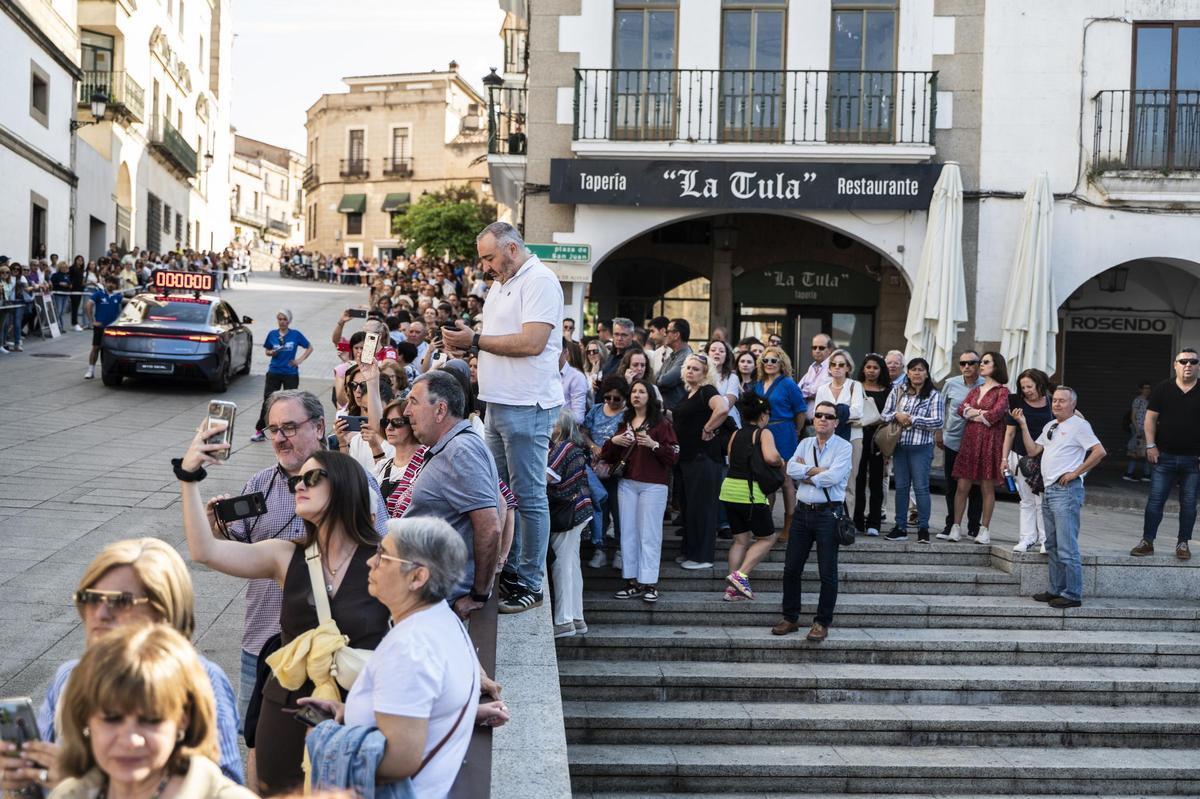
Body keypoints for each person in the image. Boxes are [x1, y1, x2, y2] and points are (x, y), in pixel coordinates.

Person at [179, 435, 390, 796]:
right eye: (297, 480)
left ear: (344, 486)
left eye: (312, 479)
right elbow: (204, 551)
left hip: (357, 708)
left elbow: (423, 625)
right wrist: (188, 477)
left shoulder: (385, 558)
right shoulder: (285, 555)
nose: (299, 486)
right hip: (287, 707)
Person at [0, 541, 243, 797]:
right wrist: (22, 778)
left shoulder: (204, 678)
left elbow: (222, 783)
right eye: (90, 599)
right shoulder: (70, 676)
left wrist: (81, 782)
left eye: (120, 601)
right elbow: (43, 781)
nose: (101, 613)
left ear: (164, 611)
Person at [299, 518, 490, 799]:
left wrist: (328, 739)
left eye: (382, 556)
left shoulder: (410, 648)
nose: (370, 563)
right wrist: (351, 714)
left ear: (417, 577)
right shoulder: (443, 619)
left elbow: (399, 759)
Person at [443, 221, 563, 615]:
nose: (486, 267)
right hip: (498, 404)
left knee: (528, 498)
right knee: (497, 495)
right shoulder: (502, 282)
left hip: (528, 405)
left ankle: (530, 583)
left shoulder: (540, 280)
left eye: (489, 257)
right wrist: (469, 337)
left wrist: (473, 341)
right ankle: (506, 569)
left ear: (511, 248)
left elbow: (532, 342)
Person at [49, 624, 255, 799]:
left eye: (150, 720)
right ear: (85, 720)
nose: (130, 740)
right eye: (112, 719)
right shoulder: (68, 794)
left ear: (182, 720)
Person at [402, 371, 503, 616]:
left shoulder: (460, 451)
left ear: (440, 410)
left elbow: (490, 527)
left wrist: (479, 594)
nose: (406, 412)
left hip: (432, 598)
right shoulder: (455, 447)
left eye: (414, 402)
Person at [1013, 387, 1107, 608]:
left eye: (1062, 401)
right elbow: (1033, 450)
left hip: (1066, 491)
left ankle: (1073, 594)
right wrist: (1023, 424)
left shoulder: (1080, 426)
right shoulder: (1051, 425)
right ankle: (1055, 589)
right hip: (1048, 490)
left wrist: (1076, 473)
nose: (1056, 404)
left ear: (1073, 404)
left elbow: (1099, 451)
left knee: (1067, 546)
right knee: (1052, 544)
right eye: (1054, 400)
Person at [771, 400, 852, 642]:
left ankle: (821, 622)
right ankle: (790, 617)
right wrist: (819, 471)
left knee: (827, 571)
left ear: (836, 422)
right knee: (791, 568)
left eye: (829, 416)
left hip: (828, 514)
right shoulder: (805, 443)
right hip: (802, 512)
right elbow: (790, 470)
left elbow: (834, 477)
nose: (823, 419)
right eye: (818, 415)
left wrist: (808, 472)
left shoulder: (844, 447)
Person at [600, 378, 679, 602]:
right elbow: (608, 456)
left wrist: (654, 444)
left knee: (650, 534)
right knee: (628, 532)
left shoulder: (661, 424)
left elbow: (673, 455)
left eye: (642, 392)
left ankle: (650, 583)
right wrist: (614, 441)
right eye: (634, 391)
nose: (636, 395)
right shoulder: (625, 422)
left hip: (654, 484)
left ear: (650, 397)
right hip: (627, 483)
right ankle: (631, 581)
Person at [1131, 348, 1200, 561]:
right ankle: (1147, 542)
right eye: (1183, 361)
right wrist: (1150, 445)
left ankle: (1183, 543)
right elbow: (1149, 419)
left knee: (1189, 503)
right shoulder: (1163, 388)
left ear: (1198, 365)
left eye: (1193, 361)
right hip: (1164, 457)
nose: (1188, 365)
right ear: (1175, 365)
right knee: (1155, 501)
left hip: (1194, 460)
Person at [719, 393, 783, 601]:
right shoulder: (763, 434)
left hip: (729, 490)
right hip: (751, 493)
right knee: (767, 538)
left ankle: (732, 589)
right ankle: (741, 575)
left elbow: (730, 459)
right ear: (763, 415)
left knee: (740, 540)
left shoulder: (735, 434)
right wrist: (781, 461)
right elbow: (771, 457)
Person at [947, 351, 1010, 545]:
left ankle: (984, 529)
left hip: (990, 443)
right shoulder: (976, 389)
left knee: (987, 487)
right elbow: (961, 410)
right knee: (962, 486)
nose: (981, 365)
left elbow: (994, 416)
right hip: (970, 441)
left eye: (986, 362)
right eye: (981, 362)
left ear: (996, 366)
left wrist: (975, 413)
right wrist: (979, 413)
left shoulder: (1003, 391)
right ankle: (956, 527)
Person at [673, 354, 729, 570]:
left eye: (696, 369)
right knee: (689, 508)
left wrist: (708, 428)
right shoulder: (689, 394)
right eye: (688, 367)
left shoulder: (707, 390)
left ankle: (702, 557)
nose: (690, 371)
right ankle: (690, 551)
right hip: (687, 458)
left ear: (705, 373)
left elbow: (722, 408)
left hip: (703, 458)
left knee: (702, 508)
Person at [881, 358, 944, 542]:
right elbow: (884, 415)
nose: (917, 373)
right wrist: (897, 415)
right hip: (899, 446)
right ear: (907, 373)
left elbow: (938, 421)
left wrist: (913, 420)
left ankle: (923, 528)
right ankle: (900, 527)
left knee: (921, 488)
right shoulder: (898, 391)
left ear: (926, 373)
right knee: (900, 488)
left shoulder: (934, 395)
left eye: (921, 370)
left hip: (922, 448)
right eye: (913, 369)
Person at [752, 346, 807, 541]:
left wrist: (796, 432)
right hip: (762, 433)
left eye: (773, 360)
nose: (769, 364)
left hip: (784, 432)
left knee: (785, 480)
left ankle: (789, 526)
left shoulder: (788, 384)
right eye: (765, 360)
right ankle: (766, 525)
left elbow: (800, 411)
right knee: (765, 479)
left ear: (781, 363)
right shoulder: (757, 384)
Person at [547, 411, 594, 637]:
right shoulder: (573, 447)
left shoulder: (562, 447)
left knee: (562, 566)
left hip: (568, 514)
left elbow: (544, 477)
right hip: (580, 512)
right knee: (572, 566)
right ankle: (577, 618)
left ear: (561, 426)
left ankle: (564, 621)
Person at [1002, 368, 1054, 553]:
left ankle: (1044, 539)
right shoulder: (1017, 405)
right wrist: (1004, 459)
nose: (1027, 391)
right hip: (1021, 456)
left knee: (1042, 500)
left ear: (1040, 384)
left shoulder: (1051, 402)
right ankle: (1026, 538)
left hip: (1046, 458)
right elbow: (1009, 432)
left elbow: (1072, 416)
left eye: (1030, 386)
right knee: (1026, 499)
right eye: (1023, 387)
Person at [935, 350, 984, 539]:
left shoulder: (987, 386)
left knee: (977, 486)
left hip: (978, 442)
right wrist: (938, 432)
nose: (967, 367)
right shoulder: (951, 384)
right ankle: (951, 524)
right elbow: (941, 408)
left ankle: (974, 525)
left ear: (979, 364)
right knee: (952, 485)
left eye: (971, 363)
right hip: (953, 440)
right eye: (963, 363)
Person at [582, 375, 629, 569]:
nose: (610, 401)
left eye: (616, 398)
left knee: (619, 512)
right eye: (607, 397)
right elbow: (583, 431)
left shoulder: (628, 415)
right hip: (595, 469)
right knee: (599, 509)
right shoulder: (595, 410)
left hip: (619, 471)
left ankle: (619, 551)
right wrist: (593, 447)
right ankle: (599, 549)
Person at [252, 310, 313, 442]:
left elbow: (309, 347)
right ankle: (260, 430)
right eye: (279, 319)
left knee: (291, 402)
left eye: (284, 319)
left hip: (290, 373)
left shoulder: (295, 335)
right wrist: (270, 353)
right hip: (274, 371)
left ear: (289, 320)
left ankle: (290, 430)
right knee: (268, 401)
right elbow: (267, 350)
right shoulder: (272, 334)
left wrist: (299, 361)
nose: (282, 322)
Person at [815, 349, 863, 512]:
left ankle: (846, 522)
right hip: (826, 439)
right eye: (833, 364)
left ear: (848, 368)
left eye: (841, 365)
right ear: (828, 368)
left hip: (852, 438)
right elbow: (817, 414)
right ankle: (826, 518)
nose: (837, 367)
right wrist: (842, 412)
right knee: (826, 476)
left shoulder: (855, 385)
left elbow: (858, 412)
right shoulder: (822, 389)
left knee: (849, 482)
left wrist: (830, 414)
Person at [854, 354, 889, 536]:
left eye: (875, 367)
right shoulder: (855, 388)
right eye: (868, 367)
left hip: (878, 439)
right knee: (857, 479)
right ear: (863, 369)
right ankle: (857, 520)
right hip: (858, 437)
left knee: (876, 481)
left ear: (881, 370)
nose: (871, 371)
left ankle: (874, 522)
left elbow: (891, 414)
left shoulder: (888, 390)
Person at [82, 275, 125, 379]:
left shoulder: (117, 296)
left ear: (116, 285)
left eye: (113, 283)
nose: (111, 284)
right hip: (100, 327)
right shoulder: (98, 294)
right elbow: (88, 305)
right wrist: (92, 321)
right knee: (96, 348)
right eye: (109, 282)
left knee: (110, 350)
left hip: (113, 329)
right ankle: (90, 371)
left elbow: (131, 301)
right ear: (105, 283)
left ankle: (107, 371)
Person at [655, 318, 694, 411]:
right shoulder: (672, 355)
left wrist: (659, 380)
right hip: (666, 410)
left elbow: (664, 381)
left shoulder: (686, 357)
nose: (665, 334)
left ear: (676, 335)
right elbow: (656, 378)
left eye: (668, 331)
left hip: (676, 412)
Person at [797, 333, 834, 420]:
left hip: (823, 421)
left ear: (830, 350)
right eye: (814, 348)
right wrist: (810, 392)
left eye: (821, 348)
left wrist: (807, 391)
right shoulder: (812, 367)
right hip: (806, 422)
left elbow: (821, 392)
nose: (817, 350)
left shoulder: (833, 367)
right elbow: (798, 390)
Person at [706, 338, 741, 427]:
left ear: (726, 356)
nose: (717, 352)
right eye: (713, 350)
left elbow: (729, 402)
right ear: (707, 354)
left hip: (727, 422)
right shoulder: (701, 376)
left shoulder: (732, 378)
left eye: (721, 351)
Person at [1123, 382, 1153, 482]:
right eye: (1145, 388)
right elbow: (1133, 416)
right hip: (1139, 429)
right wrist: (1137, 430)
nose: (1147, 390)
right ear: (1140, 389)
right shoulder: (1138, 400)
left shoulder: (1147, 401)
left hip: (1145, 429)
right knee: (1136, 452)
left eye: (1149, 388)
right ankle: (1130, 473)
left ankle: (1146, 474)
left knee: (1144, 451)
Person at [560, 337, 589, 423]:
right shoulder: (545, 374)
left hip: (564, 431)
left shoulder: (576, 377)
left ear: (565, 352)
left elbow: (578, 417)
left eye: (556, 351)